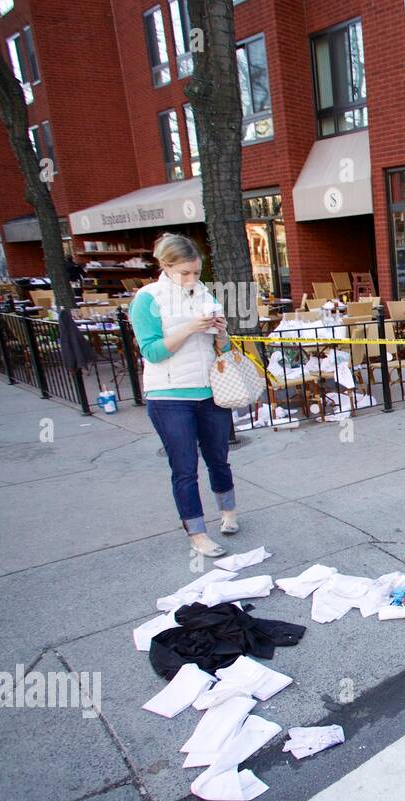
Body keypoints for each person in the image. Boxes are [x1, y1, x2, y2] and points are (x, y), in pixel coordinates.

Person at [130, 233, 239, 558]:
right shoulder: (148, 299)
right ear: (165, 266)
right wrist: (190, 328)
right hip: (169, 395)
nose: (192, 279)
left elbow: (225, 348)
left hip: (211, 390)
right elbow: (152, 351)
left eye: (196, 271)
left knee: (219, 457)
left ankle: (228, 512)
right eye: (185, 273)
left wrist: (220, 333)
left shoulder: (206, 295)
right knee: (185, 466)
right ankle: (197, 532)